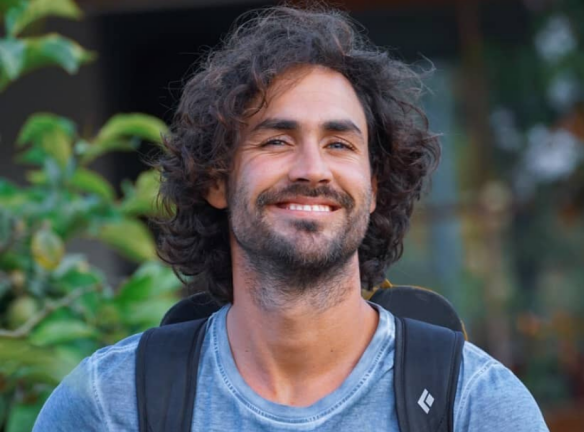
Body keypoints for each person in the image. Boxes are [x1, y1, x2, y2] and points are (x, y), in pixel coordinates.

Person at [34, 5, 548, 431]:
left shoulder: (475, 404)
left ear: (374, 188)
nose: (312, 169)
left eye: (339, 144)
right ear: (217, 181)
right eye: (277, 140)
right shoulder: (108, 405)